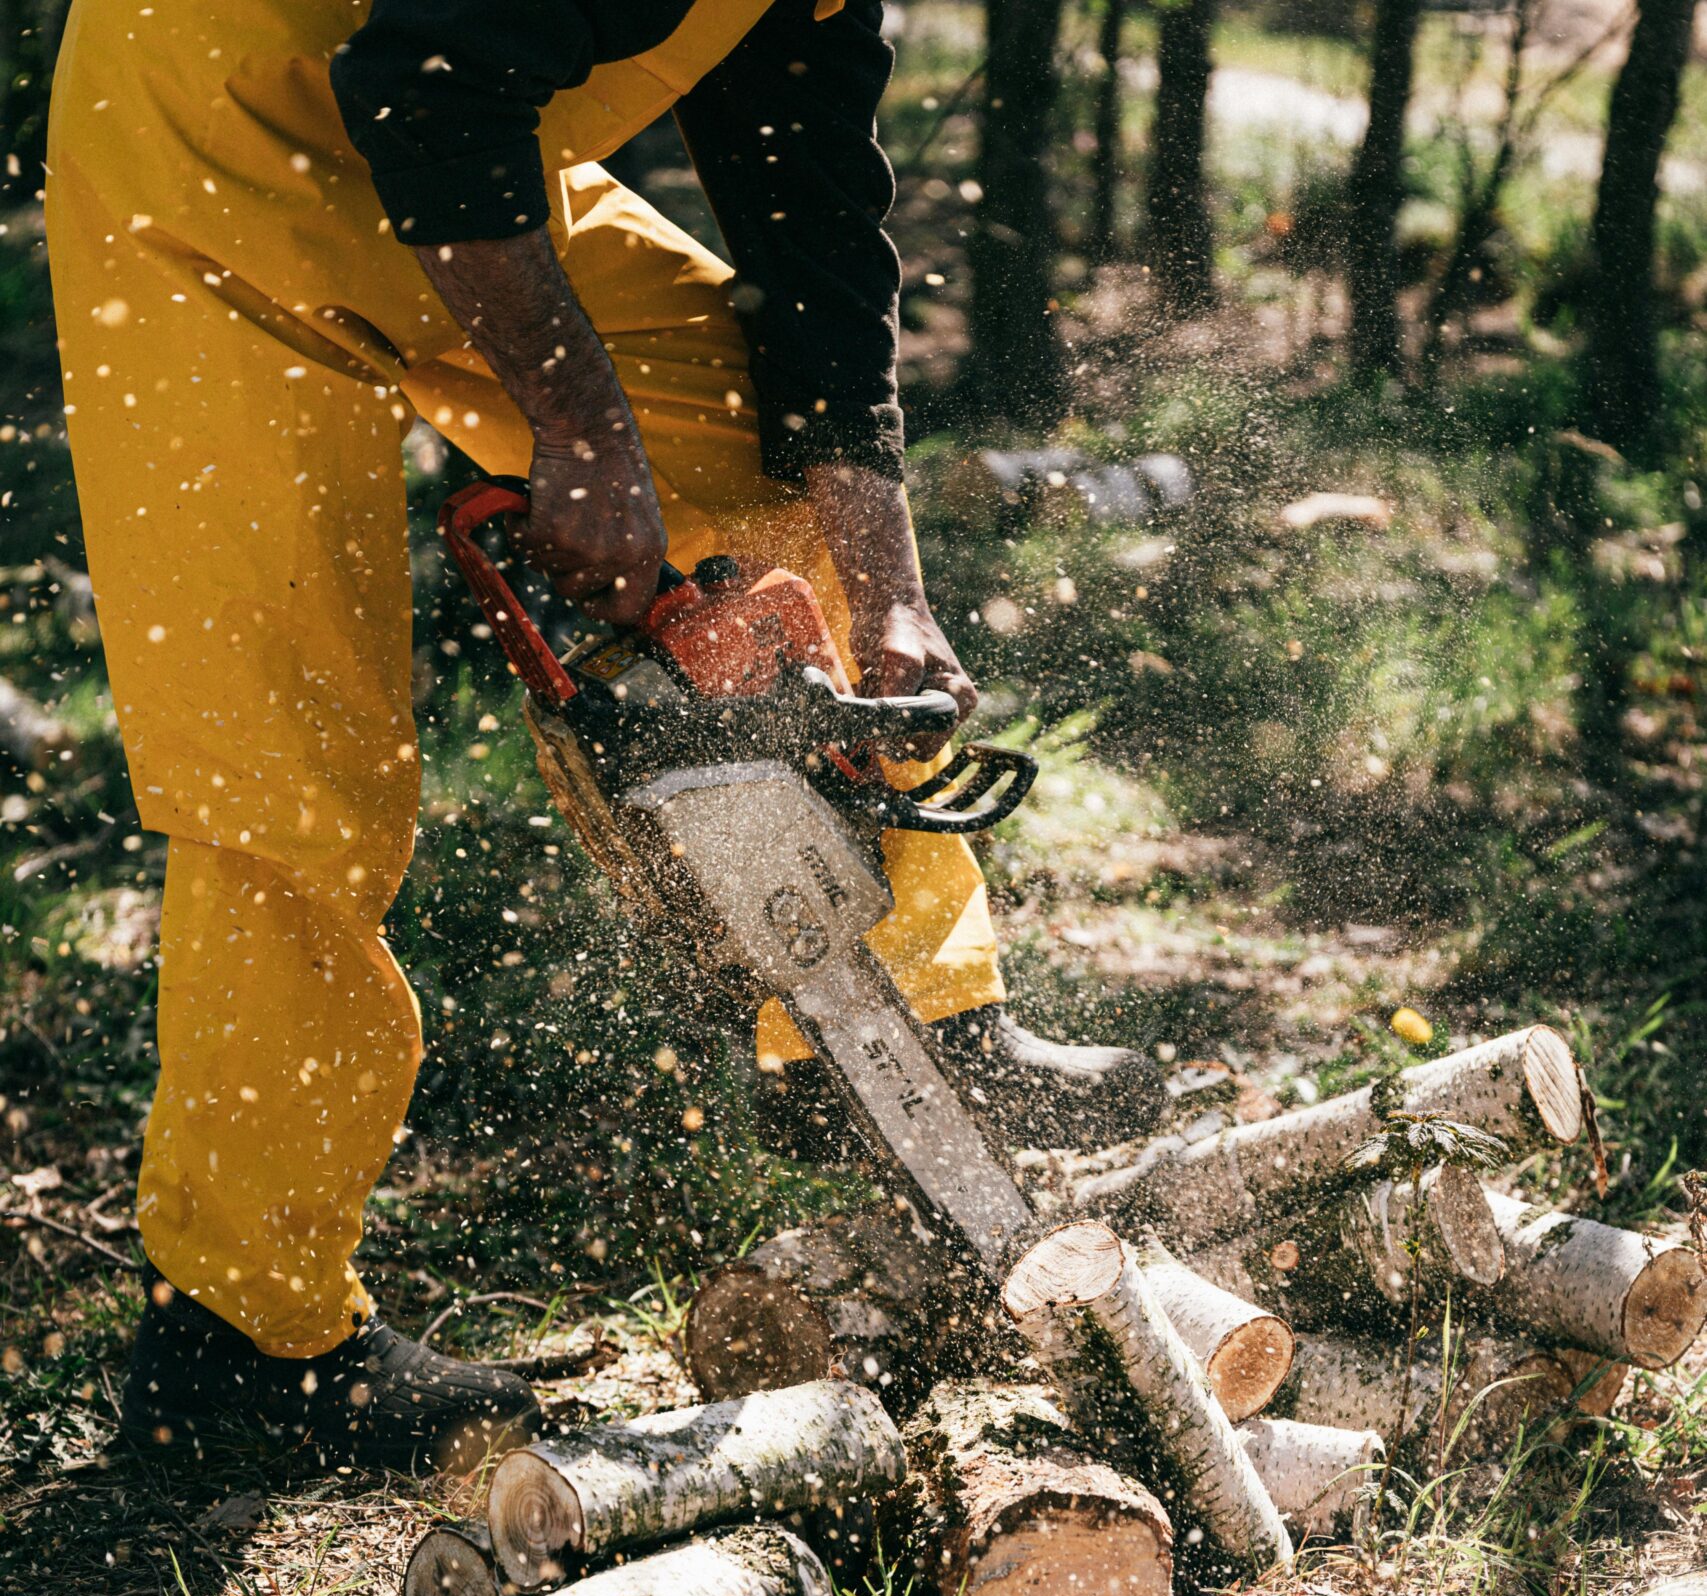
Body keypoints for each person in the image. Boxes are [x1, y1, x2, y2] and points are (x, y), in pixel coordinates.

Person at [46, 0, 1161, 1473]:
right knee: (292, 775)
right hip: (207, 162)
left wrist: (890, 595)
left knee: (755, 423)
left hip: (455, 155)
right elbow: (423, 82)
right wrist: (579, 429)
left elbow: (808, 205)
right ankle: (241, 1344)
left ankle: (906, 1022)